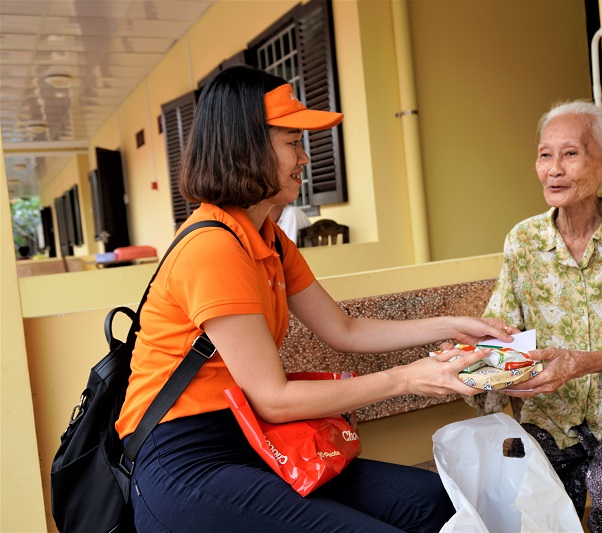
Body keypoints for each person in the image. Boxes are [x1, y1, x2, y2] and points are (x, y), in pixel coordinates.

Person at [115, 65, 513, 532]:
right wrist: (408, 378)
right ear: (245, 146)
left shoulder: (268, 239)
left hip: (253, 442)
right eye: (292, 142)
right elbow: (275, 399)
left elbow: (344, 329)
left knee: (434, 503)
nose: (304, 157)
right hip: (184, 463)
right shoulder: (213, 248)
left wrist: (452, 326)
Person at [468, 100, 602, 532]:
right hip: (551, 411)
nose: (553, 169)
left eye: (570, 154)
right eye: (545, 155)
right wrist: (475, 351)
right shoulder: (524, 241)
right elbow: (501, 322)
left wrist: (581, 362)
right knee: (527, 494)